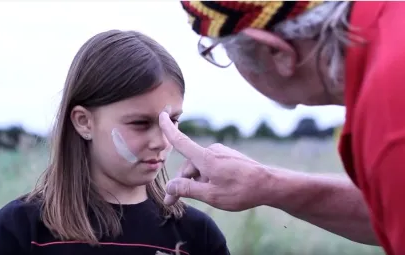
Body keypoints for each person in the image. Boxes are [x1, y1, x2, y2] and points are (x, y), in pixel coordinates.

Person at [158, 1, 405, 255]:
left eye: (223, 54)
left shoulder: (390, 123)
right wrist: (267, 184)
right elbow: (392, 209)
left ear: (276, 51)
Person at [0, 30, 230, 255]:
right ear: (84, 122)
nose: (161, 141)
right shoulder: (22, 229)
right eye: (140, 123)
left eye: (172, 121)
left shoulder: (195, 236)